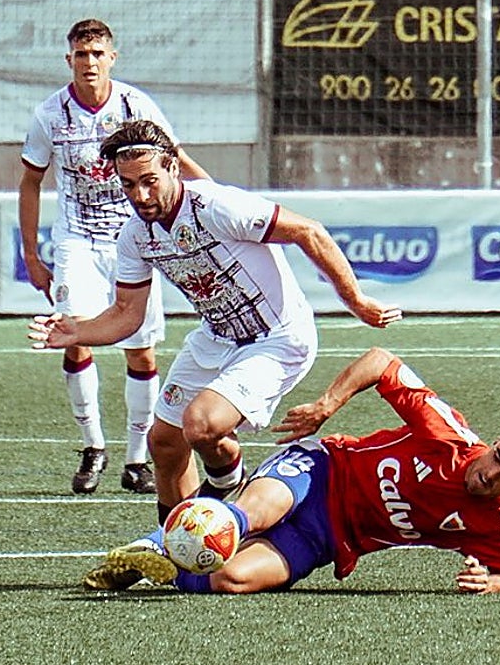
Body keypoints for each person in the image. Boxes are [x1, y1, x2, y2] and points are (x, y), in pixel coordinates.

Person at [28, 119, 401, 519]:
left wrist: (356, 300)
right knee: (165, 442)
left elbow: (309, 232)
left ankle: (227, 488)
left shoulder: (216, 206)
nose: (140, 194)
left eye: (150, 180)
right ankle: (173, 547)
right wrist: (77, 331)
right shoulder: (135, 236)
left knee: (202, 424)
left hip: (277, 338)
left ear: (173, 167)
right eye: (129, 184)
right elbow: (126, 314)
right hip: (215, 338)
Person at [83, 347, 500, 594]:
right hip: (320, 470)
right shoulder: (447, 432)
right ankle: (155, 541)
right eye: (498, 457)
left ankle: (163, 567)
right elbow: (381, 360)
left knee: (234, 580)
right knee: (255, 512)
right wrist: (326, 404)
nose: (491, 475)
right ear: (498, 442)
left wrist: (492, 582)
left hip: (332, 536)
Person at [19, 18, 209, 494]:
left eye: (98, 54)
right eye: (81, 55)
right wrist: (32, 254)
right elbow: (30, 182)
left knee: (141, 352)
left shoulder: (135, 106)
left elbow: (176, 160)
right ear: (69, 60)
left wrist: (217, 198)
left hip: (135, 238)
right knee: (74, 336)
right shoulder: (50, 115)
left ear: (112, 57)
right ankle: (92, 446)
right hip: (77, 241)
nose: (90, 63)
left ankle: (136, 460)